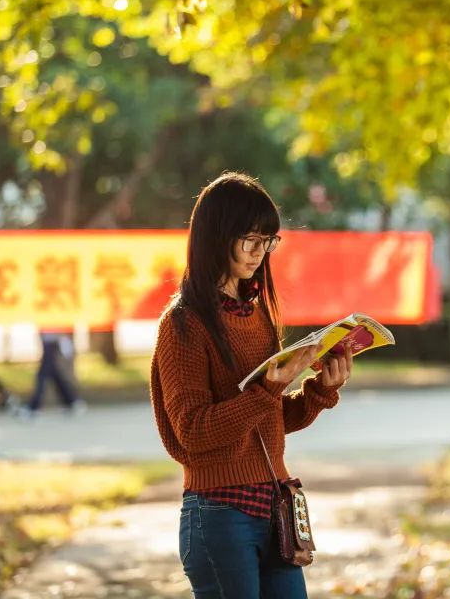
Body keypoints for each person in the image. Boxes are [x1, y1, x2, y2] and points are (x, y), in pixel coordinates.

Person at [151, 171, 352, 599]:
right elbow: (193, 430)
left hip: (274, 507)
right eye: (251, 240)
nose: (261, 252)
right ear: (217, 236)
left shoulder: (256, 315)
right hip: (220, 513)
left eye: (269, 241)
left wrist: (319, 392)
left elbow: (268, 421)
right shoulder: (183, 324)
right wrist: (265, 390)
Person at [14, 330, 85, 419]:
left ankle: (33, 406)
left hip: (52, 334)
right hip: (48, 334)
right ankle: (71, 401)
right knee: (52, 371)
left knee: (43, 372)